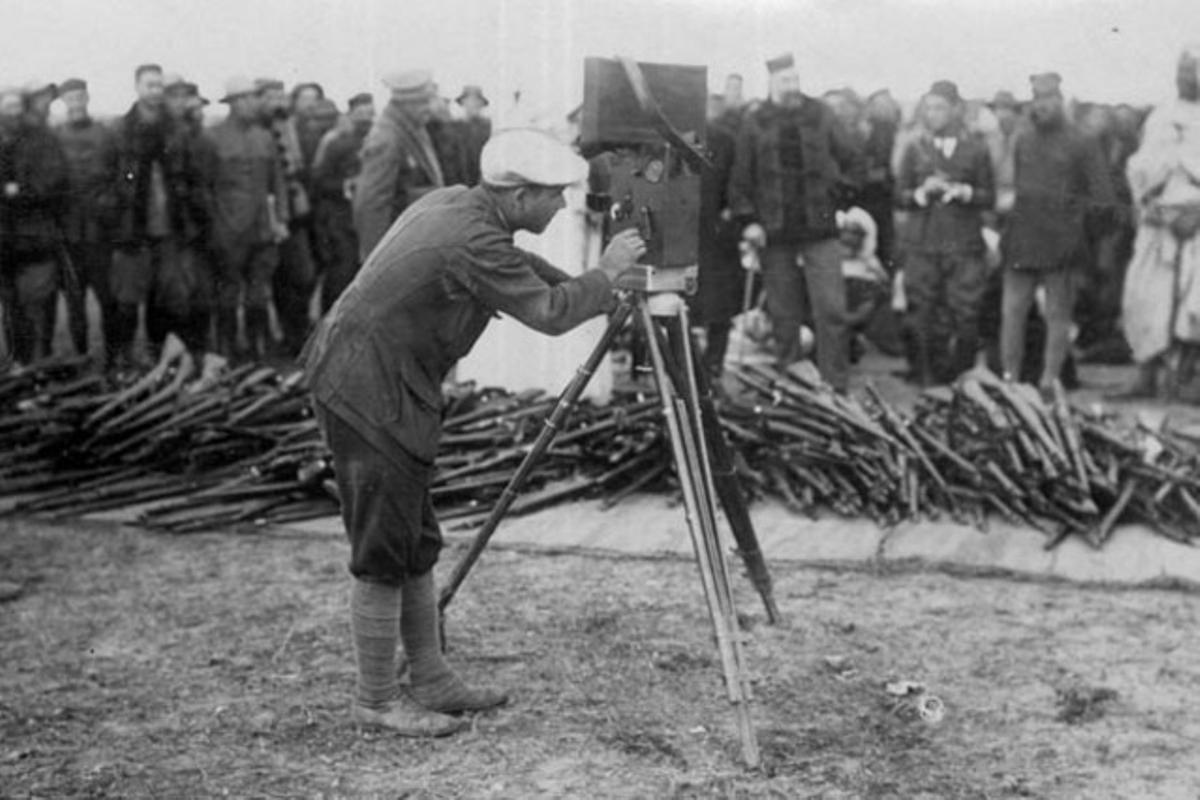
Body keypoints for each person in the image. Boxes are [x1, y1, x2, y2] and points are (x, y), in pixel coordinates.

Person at [302, 129, 646, 736]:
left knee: (414, 536)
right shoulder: (469, 236)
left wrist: (595, 281)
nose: (561, 206)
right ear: (516, 197)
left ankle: (429, 677)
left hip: (381, 379)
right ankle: (376, 700)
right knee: (383, 547)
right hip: (366, 386)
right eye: (552, 196)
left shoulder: (462, 206)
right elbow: (548, 313)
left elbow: (530, 272)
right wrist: (605, 276)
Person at [728, 53, 865, 392]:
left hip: (819, 229)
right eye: (785, 81)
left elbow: (854, 159)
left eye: (796, 80)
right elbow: (740, 177)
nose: (793, 88)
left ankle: (835, 384)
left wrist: (840, 199)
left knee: (831, 310)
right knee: (783, 313)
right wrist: (749, 221)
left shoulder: (821, 114)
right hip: (774, 232)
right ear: (772, 83)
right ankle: (792, 381)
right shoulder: (755, 120)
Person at [1000, 73, 1114, 396]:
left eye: (1048, 99)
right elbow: (1018, 186)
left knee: (1057, 315)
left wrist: (1077, 227)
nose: (1042, 106)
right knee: (1012, 311)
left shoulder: (1082, 141)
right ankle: (1010, 381)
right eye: (1036, 99)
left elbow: (1103, 197)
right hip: (1022, 238)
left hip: (1061, 243)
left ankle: (1050, 381)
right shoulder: (1023, 138)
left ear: (1060, 100)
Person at [894, 80, 995, 386]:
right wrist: (922, 193)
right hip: (922, 242)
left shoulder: (976, 150)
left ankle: (960, 377)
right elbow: (899, 196)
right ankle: (925, 376)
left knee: (965, 311)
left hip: (963, 243)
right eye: (928, 108)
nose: (932, 115)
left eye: (939, 108)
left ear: (955, 110)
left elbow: (988, 197)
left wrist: (964, 192)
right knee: (921, 309)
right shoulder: (914, 148)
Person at [1119, 46, 1200, 399]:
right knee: (1144, 297)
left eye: (1194, 70)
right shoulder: (1160, 115)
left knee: (1192, 304)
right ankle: (1145, 374)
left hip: (1196, 222)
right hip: (1158, 221)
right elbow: (1140, 166)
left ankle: (1188, 380)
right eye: (1182, 69)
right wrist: (1149, 201)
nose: (1186, 76)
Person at [201, 76, 287, 359]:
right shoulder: (213, 137)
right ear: (235, 103)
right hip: (228, 229)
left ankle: (256, 347)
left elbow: (278, 182)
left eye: (255, 98)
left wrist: (281, 219)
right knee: (228, 290)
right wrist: (215, 226)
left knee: (258, 291)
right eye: (248, 99)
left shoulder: (264, 137)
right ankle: (227, 348)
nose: (254, 103)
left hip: (262, 229)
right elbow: (205, 188)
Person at [0, 84, 69, 364]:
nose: (13, 112)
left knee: (39, 307)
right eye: (7, 106)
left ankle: (40, 366)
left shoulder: (44, 140)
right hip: (4, 242)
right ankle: (18, 365)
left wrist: (21, 191)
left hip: (37, 239)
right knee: (11, 310)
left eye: (18, 106)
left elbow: (53, 183)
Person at [108, 63, 171, 368]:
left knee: (162, 300)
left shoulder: (174, 129)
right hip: (133, 227)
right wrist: (118, 211)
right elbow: (104, 179)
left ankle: (156, 355)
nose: (156, 91)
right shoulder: (120, 129)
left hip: (169, 228)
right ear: (137, 87)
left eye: (160, 85)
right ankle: (124, 357)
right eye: (150, 85)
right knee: (128, 301)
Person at [54, 78, 118, 360]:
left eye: (81, 96)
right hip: (69, 235)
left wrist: (112, 201)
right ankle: (81, 357)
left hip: (101, 232)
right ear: (64, 102)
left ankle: (113, 358)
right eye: (71, 98)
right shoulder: (55, 138)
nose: (76, 102)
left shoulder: (106, 134)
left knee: (108, 298)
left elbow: (122, 175)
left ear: (88, 98)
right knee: (75, 302)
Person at [353, 70, 444, 259]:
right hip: (397, 250)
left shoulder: (412, 128)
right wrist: (376, 262)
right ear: (405, 104)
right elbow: (371, 203)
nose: (430, 108)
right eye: (424, 102)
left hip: (412, 242)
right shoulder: (387, 138)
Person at [694, 92, 742, 380]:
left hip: (716, 234)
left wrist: (731, 216)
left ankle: (714, 365)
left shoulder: (725, 140)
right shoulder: (669, 138)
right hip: (683, 232)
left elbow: (737, 184)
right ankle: (684, 366)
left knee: (719, 307)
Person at [312, 93, 374, 312]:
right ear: (351, 115)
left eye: (370, 113)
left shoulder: (382, 142)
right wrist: (346, 185)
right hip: (341, 217)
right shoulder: (337, 143)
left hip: (370, 218)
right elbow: (319, 180)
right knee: (342, 271)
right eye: (361, 113)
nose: (366, 119)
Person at [456, 85, 491, 186]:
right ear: (463, 103)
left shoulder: (486, 125)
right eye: (470, 100)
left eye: (477, 101)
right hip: (462, 175)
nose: (474, 104)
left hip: (481, 173)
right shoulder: (457, 126)